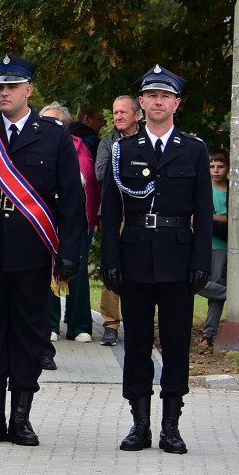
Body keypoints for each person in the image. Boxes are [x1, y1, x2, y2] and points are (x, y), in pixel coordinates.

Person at [0, 54, 83, 446]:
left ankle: (21, 418)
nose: (3, 93)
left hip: (32, 252)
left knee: (30, 333)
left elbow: (71, 199)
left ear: (29, 90)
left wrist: (69, 251)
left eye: (11, 86)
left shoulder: (53, 134)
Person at [101, 64, 212, 455]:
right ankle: (140, 423)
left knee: (177, 341)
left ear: (176, 103)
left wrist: (202, 262)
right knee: (136, 343)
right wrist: (110, 259)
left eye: (165, 96)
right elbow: (110, 212)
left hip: (179, 256)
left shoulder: (195, 150)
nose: (158, 101)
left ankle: (171, 425)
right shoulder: (123, 150)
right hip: (134, 254)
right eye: (151, 95)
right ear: (142, 103)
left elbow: (202, 207)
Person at [39, 103, 98, 370]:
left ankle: (79, 325)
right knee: (46, 273)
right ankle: (49, 324)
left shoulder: (79, 147)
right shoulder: (34, 143)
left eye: (54, 122)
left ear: (64, 125)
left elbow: (87, 181)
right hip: (44, 221)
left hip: (76, 219)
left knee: (77, 272)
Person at [94, 95, 141, 346]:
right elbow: (101, 173)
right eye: (115, 113)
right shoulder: (108, 143)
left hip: (139, 215)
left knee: (140, 270)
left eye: (123, 112)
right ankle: (111, 324)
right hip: (113, 214)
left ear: (136, 115)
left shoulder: (147, 142)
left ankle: (136, 323)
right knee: (112, 268)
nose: (119, 117)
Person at [198, 148, 229, 348]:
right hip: (201, 243)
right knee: (192, 282)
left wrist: (211, 217)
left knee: (215, 288)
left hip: (223, 246)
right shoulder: (202, 188)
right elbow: (195, 216)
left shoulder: (233, 189)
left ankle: (208, 335)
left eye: (220, 166)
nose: (215, 170)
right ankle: (233, 297)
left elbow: (233, 219)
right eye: (212, 166)